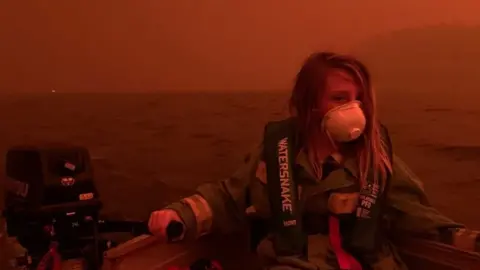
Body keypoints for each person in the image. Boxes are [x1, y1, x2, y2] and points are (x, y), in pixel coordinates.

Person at [148, 52, 465, 269]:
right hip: (297, 263)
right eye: (340, 98)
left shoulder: (377, 157)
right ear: (310, 104)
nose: (354, 108)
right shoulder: (276, 154)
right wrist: (180, 214)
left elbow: (419, 216)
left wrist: (466, 239)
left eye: (359, 99)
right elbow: (229, 198)